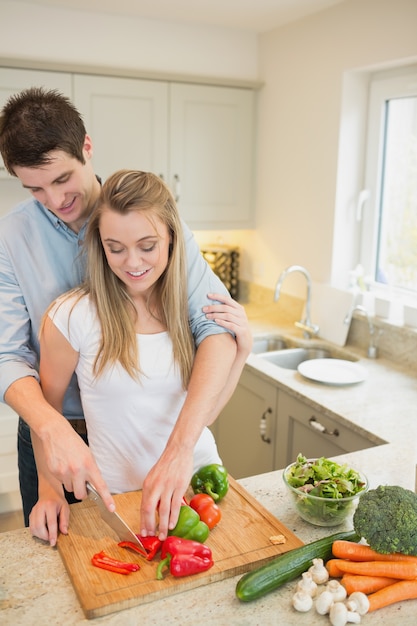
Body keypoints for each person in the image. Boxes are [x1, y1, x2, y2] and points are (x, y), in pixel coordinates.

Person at [0, 87, 252, 536]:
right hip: (48, 431)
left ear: (87, 148)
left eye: (61, 179)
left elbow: (212, 324)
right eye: (35, 188)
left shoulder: (148, 216)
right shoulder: (11, 237)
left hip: (146, 440)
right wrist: (50, 432)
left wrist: (180, 449)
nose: (54, 200)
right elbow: (7, 355)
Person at [30, 169, 245, 546]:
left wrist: (241, 353)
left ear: (172, 240)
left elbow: (204, 416)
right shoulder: (70, 316)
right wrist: (48, 491)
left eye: (147, 246)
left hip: (197, 492)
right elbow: (46, 418)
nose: (132, 263)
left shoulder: (190, 312)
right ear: (100, 244)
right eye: (116, 248)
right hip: (122, 503)